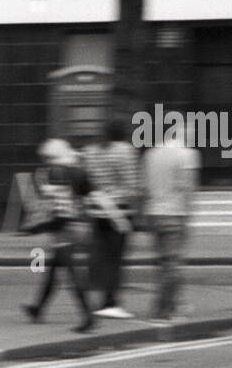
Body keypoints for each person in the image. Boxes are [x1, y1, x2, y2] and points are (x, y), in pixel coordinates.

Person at [22, 138, 95, 333]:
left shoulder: (57, 173)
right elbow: (91, 197)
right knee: (54, 270)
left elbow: (60, 209)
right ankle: (37, 308)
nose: (44, 161)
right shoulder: (79, 170)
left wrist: (40, 226)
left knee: (71, 272)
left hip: (65, 230)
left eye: (46, 157)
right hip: (81, 226)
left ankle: (88, 316)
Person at [80, 121, 140, 318]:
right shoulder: (124, 151)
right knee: (116, 258)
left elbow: (85, 180)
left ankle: (98, 300)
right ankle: (111, 302)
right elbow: (131, 185)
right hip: (119, 213)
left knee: (101, 256)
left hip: (97, 212)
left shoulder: (89, 152)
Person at [142, 125, 201, 321]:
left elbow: (144, 187)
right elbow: (188, 188)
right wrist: (188, 215)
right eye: (192, 135)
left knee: (163, 264)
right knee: (172, 265)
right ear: (183, 135)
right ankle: (161, 311)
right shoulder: (188, 155)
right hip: (174, 214)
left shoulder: (150, 154)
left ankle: (176, 306)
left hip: (153, 214)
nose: (194, 138)